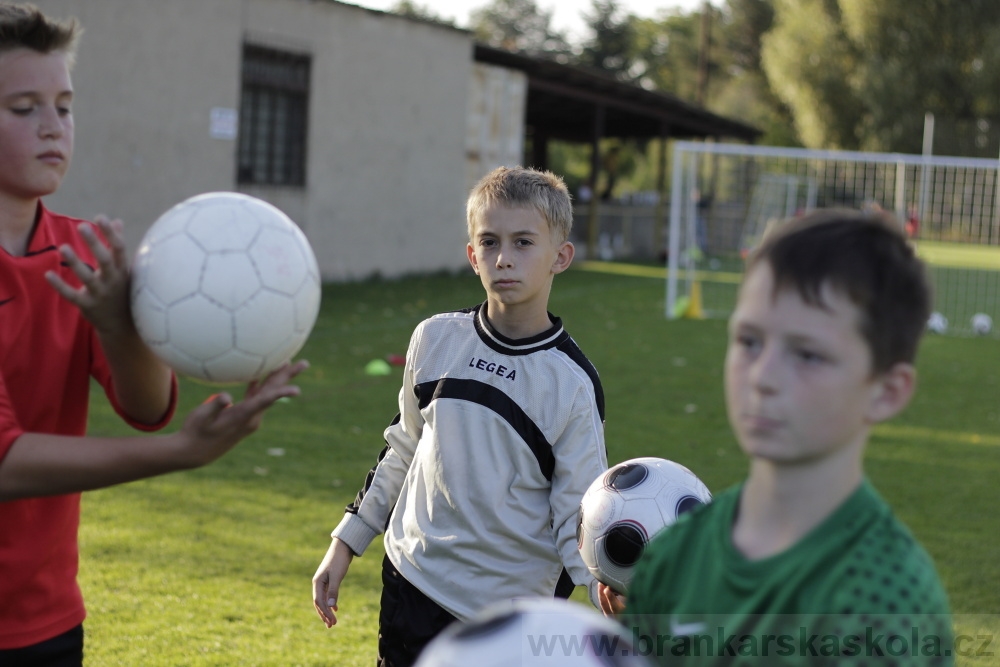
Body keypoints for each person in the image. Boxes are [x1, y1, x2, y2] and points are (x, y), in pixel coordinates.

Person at [0, 4, 308, 663]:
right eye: (23, 107)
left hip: (48, 616)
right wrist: (181, 452)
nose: (53, 127)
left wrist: (118, 325)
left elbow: (144, 407)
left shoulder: (81, 251)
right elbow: (5, 461)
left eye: (64, 105)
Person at [604, 208, 953, 665]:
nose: (763, 376)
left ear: (886, 392)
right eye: (749, 341)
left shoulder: (887, 600)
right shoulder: (674, 555)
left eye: (807, 354)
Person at [312, 165, 608, 666]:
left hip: (507, 615)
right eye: (489, 242)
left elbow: (577, 513)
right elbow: (401, 450)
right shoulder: (434, 340)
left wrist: (604, 589)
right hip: (412, 582)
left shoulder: (571, 385)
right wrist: (345, 544)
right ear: (473, 255)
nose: (503, 258)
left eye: (523, 243)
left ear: (560, 257)